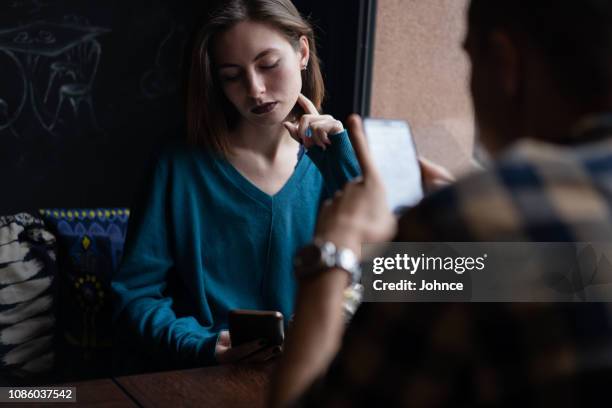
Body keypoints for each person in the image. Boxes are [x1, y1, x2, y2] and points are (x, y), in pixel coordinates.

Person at [270, 0, 612, 406]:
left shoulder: (472, 220)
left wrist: (333, 254)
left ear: (504, 64)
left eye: (468, 60)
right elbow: (580, 271)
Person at [111, 0, 359, 371]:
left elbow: (408, 279)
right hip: (204, 377)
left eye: (268, 65)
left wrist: (343, 166)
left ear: (303, 52)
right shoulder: (178, 167)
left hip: (315, 377)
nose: (256, 90)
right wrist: (203, 345)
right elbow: (134, 296)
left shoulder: (340, 159)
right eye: (231, 75)